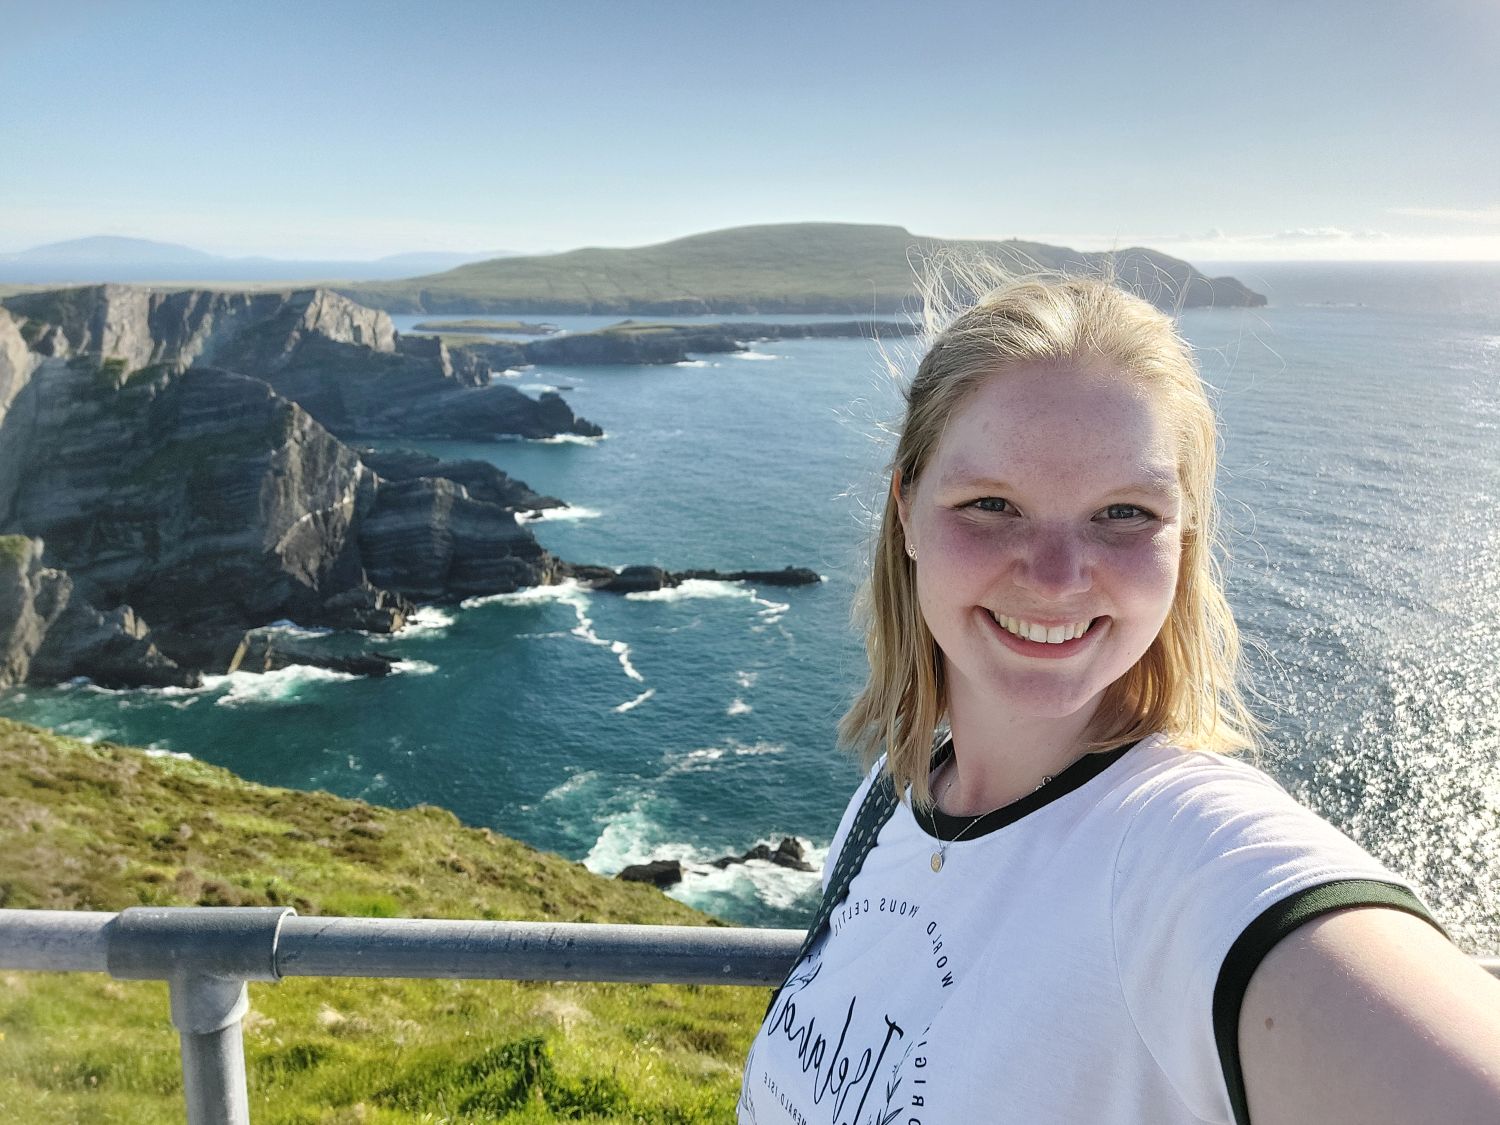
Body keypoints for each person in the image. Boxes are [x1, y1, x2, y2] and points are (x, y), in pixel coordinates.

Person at [737, 273, 1500, 1124]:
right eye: (992, 503)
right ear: (907, 508)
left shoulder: (1195, 860)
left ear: (1184, 538)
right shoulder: (894, 795)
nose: (1059, 576)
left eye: (1124, 513)